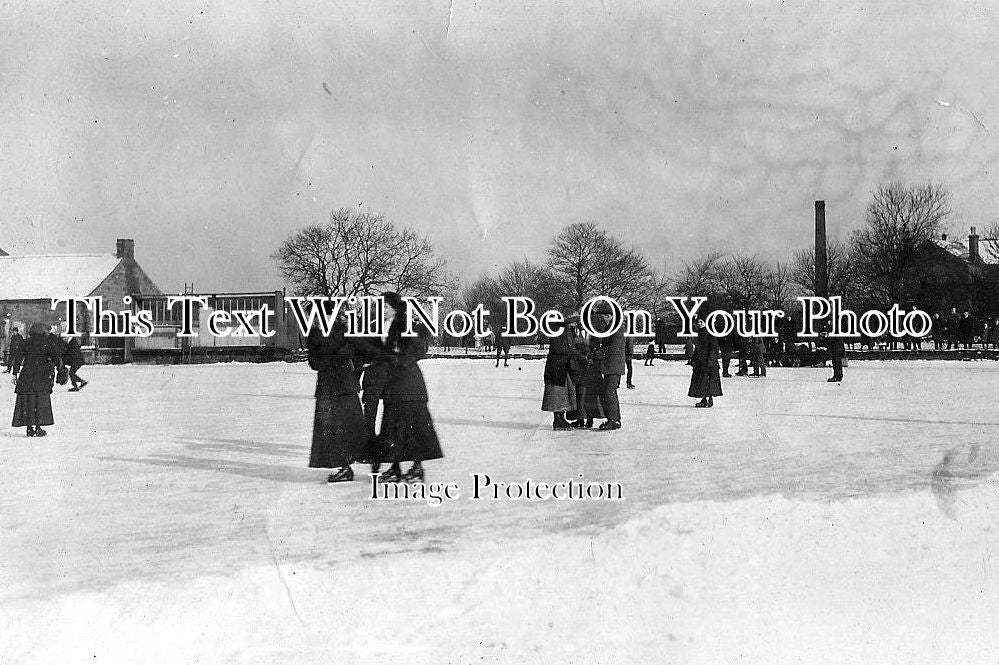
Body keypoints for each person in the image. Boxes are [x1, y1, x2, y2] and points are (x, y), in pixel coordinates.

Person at [377, 292, 443, 483]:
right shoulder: (383, 326)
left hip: (409, 385)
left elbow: (419, 349)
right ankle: (395, 467)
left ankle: (417, 467)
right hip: (393, 386)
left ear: (395, 308)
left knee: (414, 429)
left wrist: (398, 359)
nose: (382, 310)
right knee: (392, 427)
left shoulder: (406, 325)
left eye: (386, 307)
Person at [306, 305, 369, 483]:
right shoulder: (314, 335)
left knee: (351, 429)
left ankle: (361, 464)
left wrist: (335, 354)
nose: (314, 319)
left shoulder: (344, 332)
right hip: (328, 388)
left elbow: (360, 356)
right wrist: (337, 353)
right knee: (330, 431)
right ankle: (344, 467)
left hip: (345, 387)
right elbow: (315, 363)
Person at [12, 322, 63, 437]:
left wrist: (15, 373)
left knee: (28, 401)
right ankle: (38, 427)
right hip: (42, 375)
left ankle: (29, 428)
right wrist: (61, 370)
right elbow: (56, 357)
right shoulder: (47, 342)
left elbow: (18, 358)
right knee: (40, 402)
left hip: (27, 375)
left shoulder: (25, 342)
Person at [541, 315, 582, 430]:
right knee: (557, 394)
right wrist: (574, 352)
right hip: (557, 367)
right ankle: (558, 420)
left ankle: (560, 419)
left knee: (563, 395)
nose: (575, 324)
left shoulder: (568, 330)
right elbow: (558, 348)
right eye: (574, 322)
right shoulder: (556, 328)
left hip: (564, 366)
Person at [592, 303, 625, 430]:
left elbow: (614, 347)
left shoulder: (616, 328)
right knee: (610, 392)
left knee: (609, 392)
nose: (601, 319)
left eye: (603, 317)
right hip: (611, 366)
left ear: (609, 315)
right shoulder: (611, 327)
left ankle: (613, 419)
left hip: (614, 366)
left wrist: (598, 353)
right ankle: (615, 419)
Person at [688, 318, 722, 408]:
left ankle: (709, 399)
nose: (699, 324)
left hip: (708, 361)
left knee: (708, 380)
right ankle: (704, 399)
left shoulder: (709, 333)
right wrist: (694, 359)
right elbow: (697, 348)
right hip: (701, 361)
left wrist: (710, 360)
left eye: (701, 322)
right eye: (697, 322)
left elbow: (714, 347)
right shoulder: (699, 333)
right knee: (702, 381)